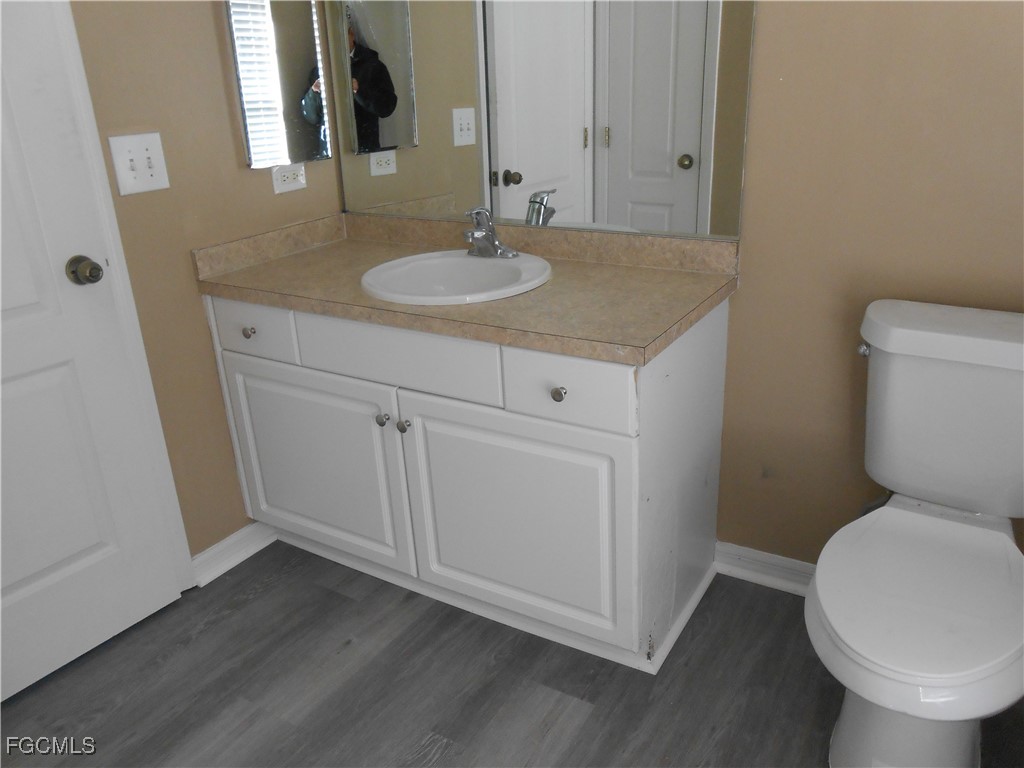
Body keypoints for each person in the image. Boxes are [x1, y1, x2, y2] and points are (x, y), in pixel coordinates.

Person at [347, 20, 397, 153]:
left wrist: (359, 91)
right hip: (331, 155)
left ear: (351, 33)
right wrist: (314, 94)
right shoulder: (320, 70)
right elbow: (311, 118)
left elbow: (386, 107)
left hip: (366, 151)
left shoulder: (373, 66)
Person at [300, 67, 329, 159]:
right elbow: (312, 117)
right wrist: (313, 92)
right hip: (328, 149)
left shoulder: (364, 64)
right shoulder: (319, 71)